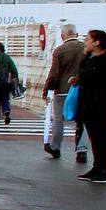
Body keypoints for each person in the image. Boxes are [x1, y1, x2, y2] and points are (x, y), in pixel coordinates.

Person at [75, 30, 106, 184]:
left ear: (96, 42)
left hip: (101, 104)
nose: (85, 41)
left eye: (88, 39)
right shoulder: (89, 59)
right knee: (94, 137)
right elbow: (86, 78)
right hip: (88, 103)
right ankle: (98, 167)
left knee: (101, 137)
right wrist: (77, 79)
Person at [41, 24, 88, 162]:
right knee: (81, 121)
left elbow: (54, 73)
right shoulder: (85, 48)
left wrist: (47, 89)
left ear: (62, 36)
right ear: (77, 34)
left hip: (62, 90)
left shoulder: (59, 51)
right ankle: (82, 150)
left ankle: (55, 147)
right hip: (82, 89)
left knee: (58, 120)